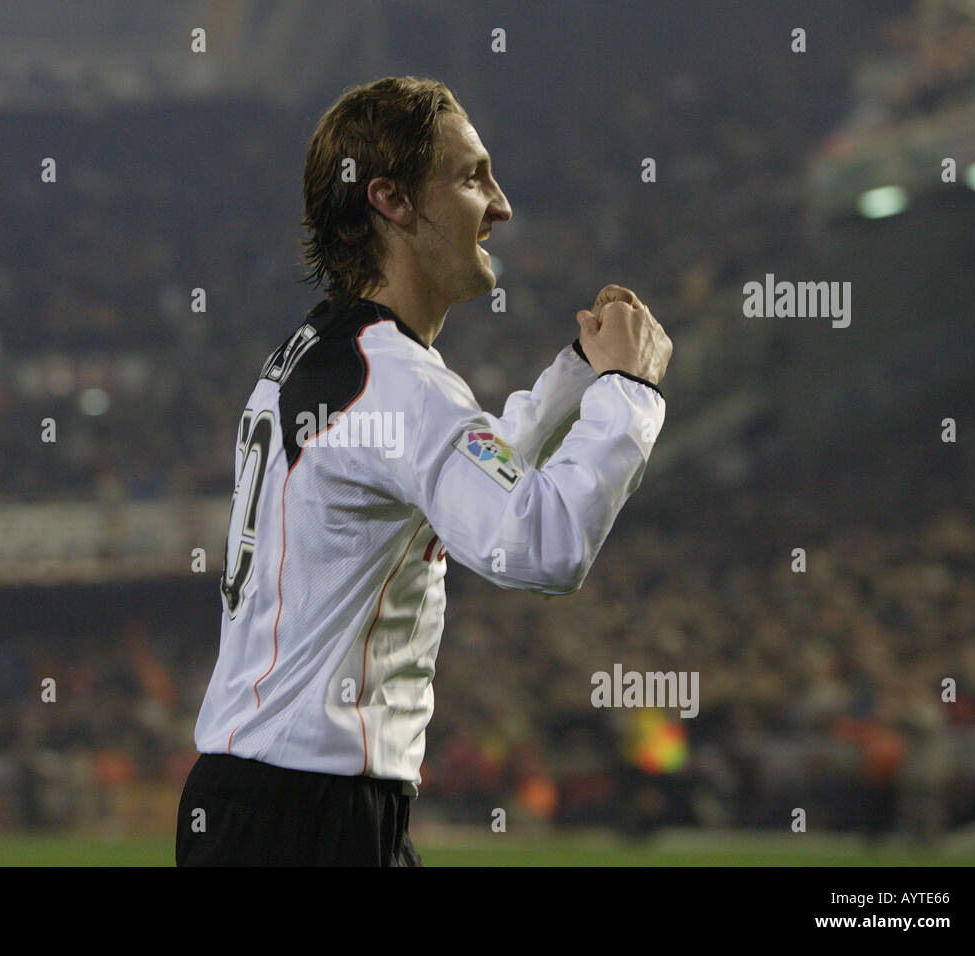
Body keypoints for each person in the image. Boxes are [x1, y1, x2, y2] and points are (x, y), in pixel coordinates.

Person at [177, 76, 672, 866]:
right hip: (308, 817)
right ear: (394, 201)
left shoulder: (329, 355)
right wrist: (629, 395)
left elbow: (461, 472)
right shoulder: (397, 380)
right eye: (473, 177)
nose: (501, 205)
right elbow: (541, 545)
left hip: (275, 802)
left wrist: (577, 377)